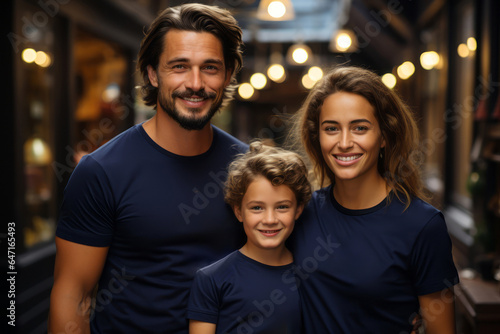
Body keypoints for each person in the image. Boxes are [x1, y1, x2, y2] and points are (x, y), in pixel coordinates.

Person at [49, 4, 247, 333]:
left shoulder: (248, 168)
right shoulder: (102, 172)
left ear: (227, 75)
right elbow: (74, 295)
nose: (195, 83)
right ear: (153, 74)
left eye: (210, 68)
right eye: (179, 67)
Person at [287, 66, 459, 333]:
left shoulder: (422, 225)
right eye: (331, 128)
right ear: (317, 136)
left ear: (384, 136)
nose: (344, 142)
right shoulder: (299, 213)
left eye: (360, 128)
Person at [187, 141, 312, 334]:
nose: (270, 219)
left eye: (282, 207)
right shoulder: (212, 279)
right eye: (257, 208)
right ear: (238, 211)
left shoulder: (312, 273)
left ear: (298, 210)